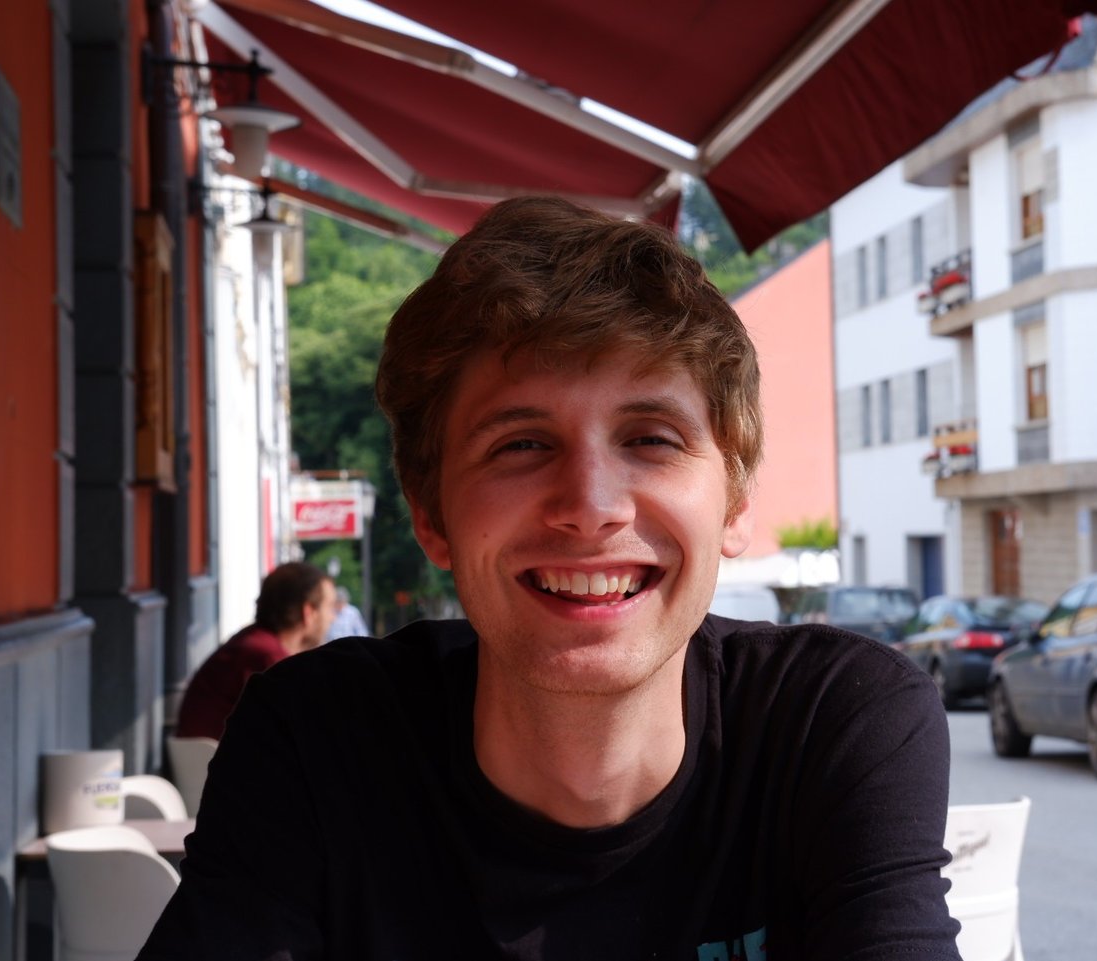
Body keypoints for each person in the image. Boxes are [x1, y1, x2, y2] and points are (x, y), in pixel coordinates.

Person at [141, 197, 960, 959]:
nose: (591, 507)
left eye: (651, 438)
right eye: (521, 444)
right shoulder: (319, 739)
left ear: (736, 501)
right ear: (431, 513)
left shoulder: (833, 723)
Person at [173, 561, 336, 741]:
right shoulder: (267, 657)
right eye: (329, 607)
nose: (333, 617)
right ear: (309, 612)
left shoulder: (252, 643)